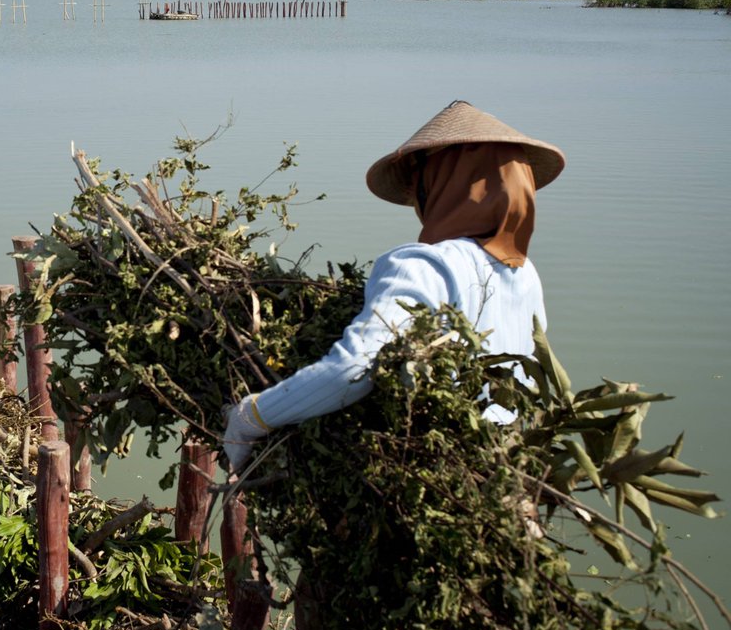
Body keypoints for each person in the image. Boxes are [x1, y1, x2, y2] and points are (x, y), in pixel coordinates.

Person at [223, 100, 566, 472]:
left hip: (432, 474)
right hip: (504, 471)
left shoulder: (425, 265)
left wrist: (251, 416)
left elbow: (354, 370)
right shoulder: (524, 273)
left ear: (439, 184)